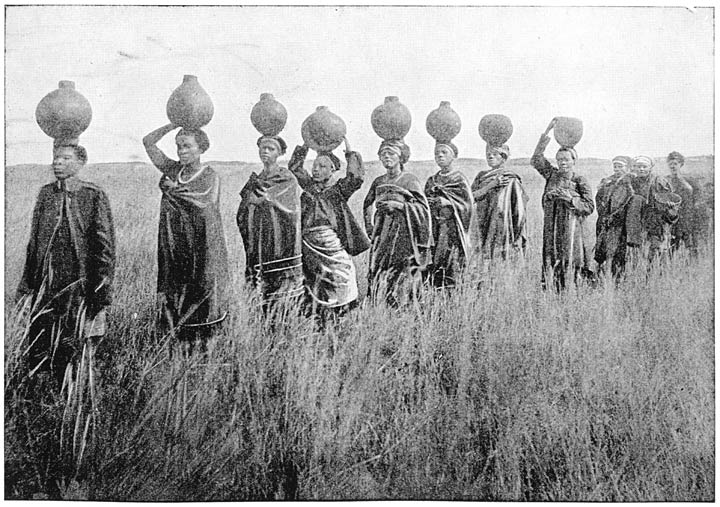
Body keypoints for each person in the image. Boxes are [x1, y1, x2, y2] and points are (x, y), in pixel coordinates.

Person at [16, 142, 115, 386]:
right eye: (56, 157)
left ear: (81, 163)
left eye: (66, 158)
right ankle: (44, 395)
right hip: (47, 284)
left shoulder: (93, 195)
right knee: (42, 339)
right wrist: (27, 285)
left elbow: (104, 249)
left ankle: (73, 395)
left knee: (75, 342)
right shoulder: (46, 194)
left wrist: (100, 291)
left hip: (78, 283)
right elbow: (34, 244)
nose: (57, 162)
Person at [143, 124, 229, 345]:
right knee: (174, 297)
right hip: (175, 246)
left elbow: (206, 205)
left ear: (201, 149)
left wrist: (174, 191)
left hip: (201, 249)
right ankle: (177, 348)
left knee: (201, 297)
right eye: (179, 146)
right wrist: (174, 123)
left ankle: (205, 353)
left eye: (188, 146)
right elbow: (148, 142)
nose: (182, 151)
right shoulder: (173, 171)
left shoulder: (210, 175)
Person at [287, 138, 370, 321]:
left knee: (342, 277)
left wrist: (350, 153)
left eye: (323, 166)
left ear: (333, 169)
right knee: (313, 282)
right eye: (315, 166)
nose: (316, 169)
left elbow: (356, 178)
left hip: (332, 245)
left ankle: (343, 313)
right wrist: (306, 145)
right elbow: (294, 168)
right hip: (309, 246)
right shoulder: (309, 187)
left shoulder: (339, 190)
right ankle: (320, 319)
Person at [237, 135, 304, 307]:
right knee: (259, 291)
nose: (265, 151)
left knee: (281, 296)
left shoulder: (286, 178)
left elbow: (291, 210)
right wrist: (249, 202)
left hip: (279, 243)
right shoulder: (255, 179)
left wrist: (267, 200)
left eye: (271, 149)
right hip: (258, 241)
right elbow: (243, 210)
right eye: (263, 148)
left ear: (279, 153)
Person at [363, 139, 432, 305]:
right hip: (382, 234)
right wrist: (369, 227)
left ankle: (406, 307)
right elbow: (367, 203)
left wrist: (400, 206)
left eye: (391, 153)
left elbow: (423, 209)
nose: (386, 157)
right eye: (383, 154)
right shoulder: (378, 181)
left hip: (404, 235)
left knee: (404, 272)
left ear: (401, 157)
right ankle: (380, 305)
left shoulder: (410, 180)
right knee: (378, 269)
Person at [531, 118, 595, 290]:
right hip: (551, 228)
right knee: (551, 261)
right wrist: (547, 131)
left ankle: (573, 293)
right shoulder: (552, 175)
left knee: (572, 262)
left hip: (572, 231)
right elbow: (536, 159)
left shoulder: (579, 179)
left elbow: (589, 206)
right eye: (559, 160)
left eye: (566, 159)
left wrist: (571, 199)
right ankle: (552, 293)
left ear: (574, 161)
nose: (563, 163)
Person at [424, 141, 472, 288]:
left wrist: (448, 202)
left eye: (444, 152)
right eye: (436, 153)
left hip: (452, 230)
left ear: (454, 156)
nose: (439, 155)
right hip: (435, 229)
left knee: (451, 262)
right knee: (434, 261)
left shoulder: (459, 179)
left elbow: (467, 204)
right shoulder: (431, 180)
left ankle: (453, 294)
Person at [471, 143, 528, 261]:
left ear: (503, 157)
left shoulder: (511, 178)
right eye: (488, 154)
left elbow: (519, 209)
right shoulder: (481, 176)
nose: (490, 157)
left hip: (502, 225)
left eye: (495, 154)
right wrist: (491, 186)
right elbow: (470, 197)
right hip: (482, 221)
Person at [623, 155, 680, 265]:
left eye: (644, 167)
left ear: (650, 167)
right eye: (638, 167)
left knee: (655, 253)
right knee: (637, 254)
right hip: (637, 223)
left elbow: (669, 199)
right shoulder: (631, 182)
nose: (641, 169)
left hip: (655, 222)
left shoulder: (659, 181)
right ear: (634, 168)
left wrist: (669, 208)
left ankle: (656, 277)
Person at [594, 155, 633, 278]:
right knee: (602, 250)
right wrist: (603, 215)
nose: (617, 169)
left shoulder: (630, 182)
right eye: (615, 166)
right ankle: (602, 276)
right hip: (605, 222)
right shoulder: (606, 181)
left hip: (620, 224)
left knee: (618, 252)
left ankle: (617, 277)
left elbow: (630, 203)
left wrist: (617, 217)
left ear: (627, 167)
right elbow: (598, 198)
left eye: (620, 166)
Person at [665, 151, 706, 256]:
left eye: (675, 163)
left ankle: (692, 267)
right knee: (672, 244)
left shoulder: (690, 179)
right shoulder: (665, 180)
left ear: (681, 164)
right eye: (670, 164)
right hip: (672, 214)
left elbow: (697, 195)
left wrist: (680, 178)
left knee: (690, 243)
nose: (673, 166)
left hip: (688, 214)